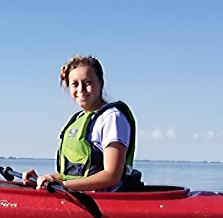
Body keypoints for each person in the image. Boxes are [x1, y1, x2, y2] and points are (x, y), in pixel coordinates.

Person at [23, 55, 139, 192]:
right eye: (75, 84)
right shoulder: (78, 119)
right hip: (78, 196)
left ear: (101, 84)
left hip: (102, 202)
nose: (81, 89)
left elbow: (112, 175)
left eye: (87, 82)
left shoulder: (112, 118)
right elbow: (75, 176)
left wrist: (63, 186)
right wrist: (46, 179)